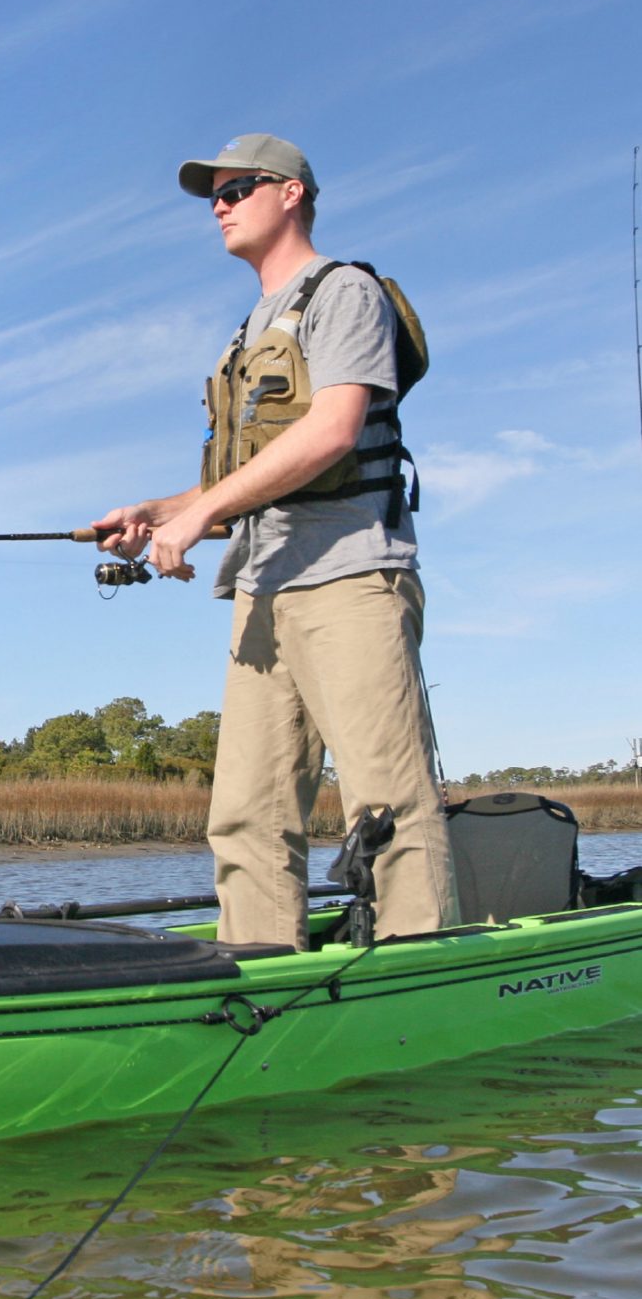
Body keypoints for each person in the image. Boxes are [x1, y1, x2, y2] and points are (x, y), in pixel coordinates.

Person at [94, 133, 460, 950]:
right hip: (262, 592)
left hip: (351, 578)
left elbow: (330, 434)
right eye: (212, 197)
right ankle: (259, 973)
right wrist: (162, 509)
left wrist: (195, 517)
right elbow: (246, 479)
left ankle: (422, 968)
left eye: (236, 190)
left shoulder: (343, 293)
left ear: (290, 192)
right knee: (247, 813)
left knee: (387, 799)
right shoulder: (246, 330)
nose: (219, 207)